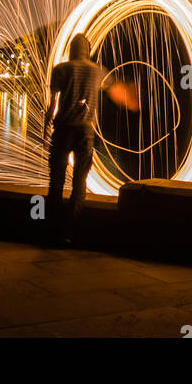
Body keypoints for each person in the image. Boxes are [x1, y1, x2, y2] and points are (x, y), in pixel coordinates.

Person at [43, 33, 139, 245]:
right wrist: (132, 98)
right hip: (85, 132)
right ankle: (68, 233)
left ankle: (51, 231)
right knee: (79, 184)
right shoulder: (97, 72)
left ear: (71, 49)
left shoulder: (60, 69)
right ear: (87, 50)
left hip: (62, 130)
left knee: (56, 181)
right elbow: (117, 92)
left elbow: (52, 105)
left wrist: (44, 130)